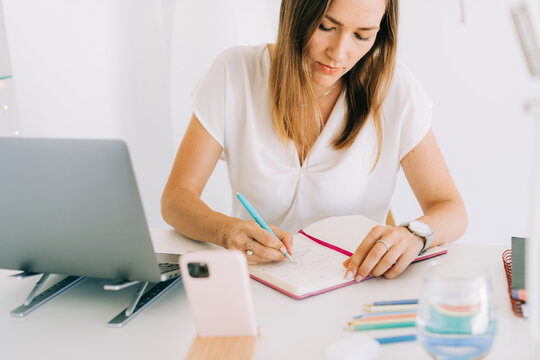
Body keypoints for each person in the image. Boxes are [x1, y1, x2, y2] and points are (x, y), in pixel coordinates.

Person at [161, 0, 467, 280]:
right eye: (326, 27)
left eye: (362, 35)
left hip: (353, 290)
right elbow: (176, 199)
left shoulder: (395, 89)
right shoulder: (235, 72)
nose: (339, 52)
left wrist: (414, 234)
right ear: (297, 12)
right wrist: (228, 231)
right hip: (257, 287)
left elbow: (451, 209)